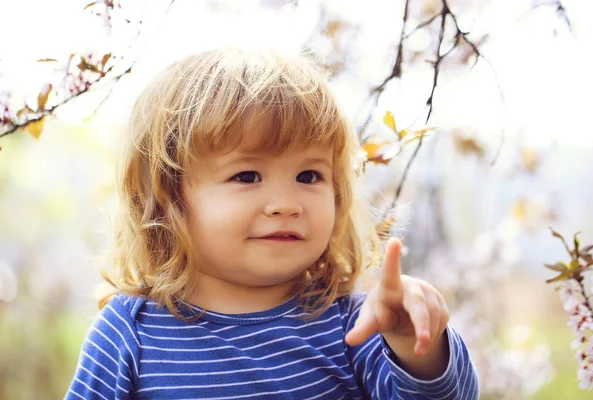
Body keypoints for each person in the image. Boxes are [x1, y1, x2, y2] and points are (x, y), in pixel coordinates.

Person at [66, 47, 479, 399]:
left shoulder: (352, 326)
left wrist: (415, 346)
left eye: (309, 176)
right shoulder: (130, 335)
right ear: (169, 197)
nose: (286, 204)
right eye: (246, 176)